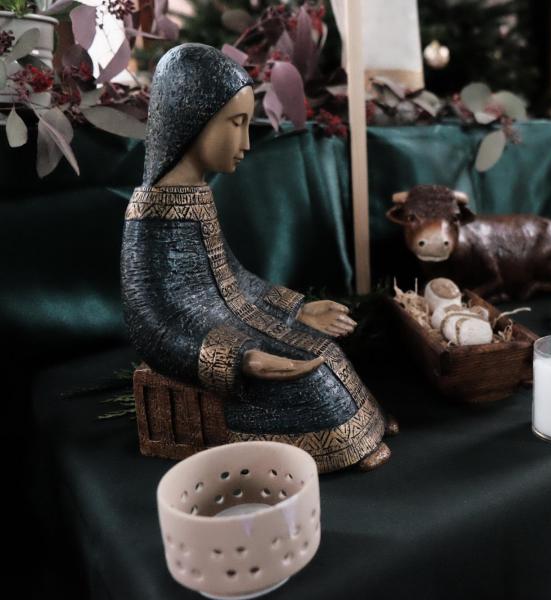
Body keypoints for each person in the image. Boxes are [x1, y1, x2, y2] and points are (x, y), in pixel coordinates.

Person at [121, 44, 390, 472]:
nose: (246, 142)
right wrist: (238, 358)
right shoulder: (150, 214)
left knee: (326, 350)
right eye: (236, 123)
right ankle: (346, 444)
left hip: (232, 319)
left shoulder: (196, 195)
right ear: (192, 119)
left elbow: (232, 279)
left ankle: (363, 431)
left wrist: (298, 309)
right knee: (310, 373)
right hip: (203, 339)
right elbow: (148, 319)